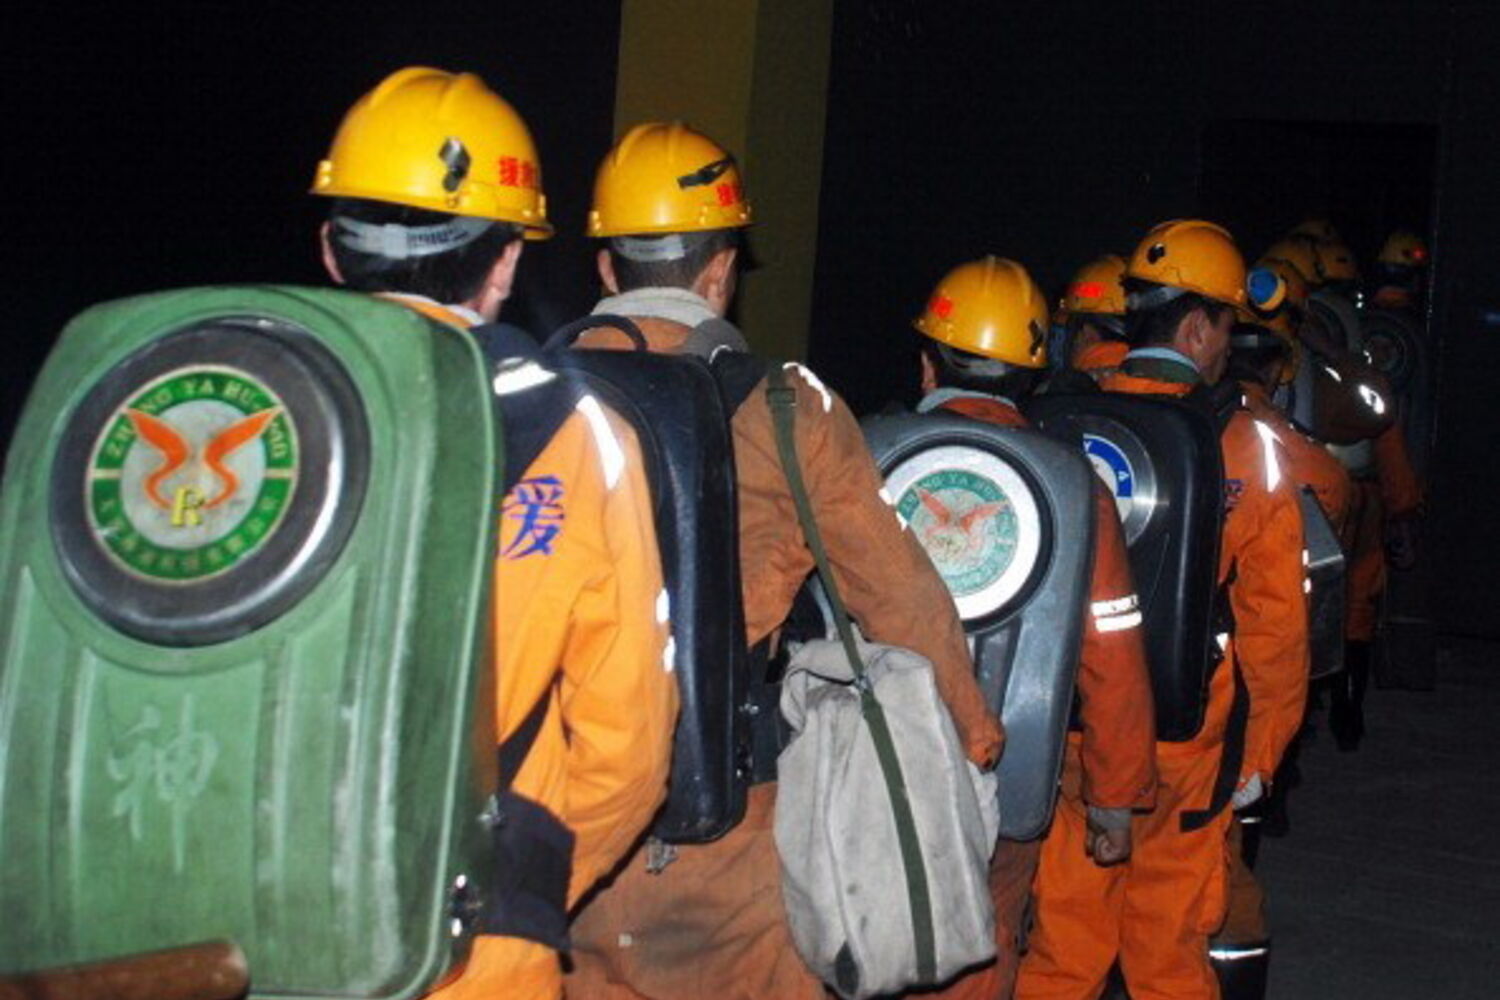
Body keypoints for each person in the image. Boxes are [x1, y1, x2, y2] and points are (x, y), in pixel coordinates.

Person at [563, 121, 1004, 1000]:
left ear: (607, 268)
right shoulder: (785, 407)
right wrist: (975, 737)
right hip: (720, 815)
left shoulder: (519, 395)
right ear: (721, 271)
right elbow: (901, 598)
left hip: (552, 814)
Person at [311, 67, 677, 1000]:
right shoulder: (568, 431)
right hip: (469, 949)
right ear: (507, 262)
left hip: (209, 938)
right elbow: (629, 745)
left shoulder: (214, 399)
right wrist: (519, 883)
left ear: (331, 249)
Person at [1017, 220, 1309, 1000]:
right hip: (1187, 742)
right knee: (1168, 948)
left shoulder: (1062, 419)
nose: (1227, 349)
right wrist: (1261, 757)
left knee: (1063, 943)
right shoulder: (1245, 443)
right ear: (1196, 327)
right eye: (1225, 328)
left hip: (1074, 729)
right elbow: (1276, 622)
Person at [906, 256, 1156, 1000]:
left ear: (927, 364)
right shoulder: (1074, 484)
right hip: (1005, 771)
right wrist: (1113, 797)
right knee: (978, 949)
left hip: (868, 759)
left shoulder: (859, 450)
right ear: (1034, 379)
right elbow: (1112, 647)